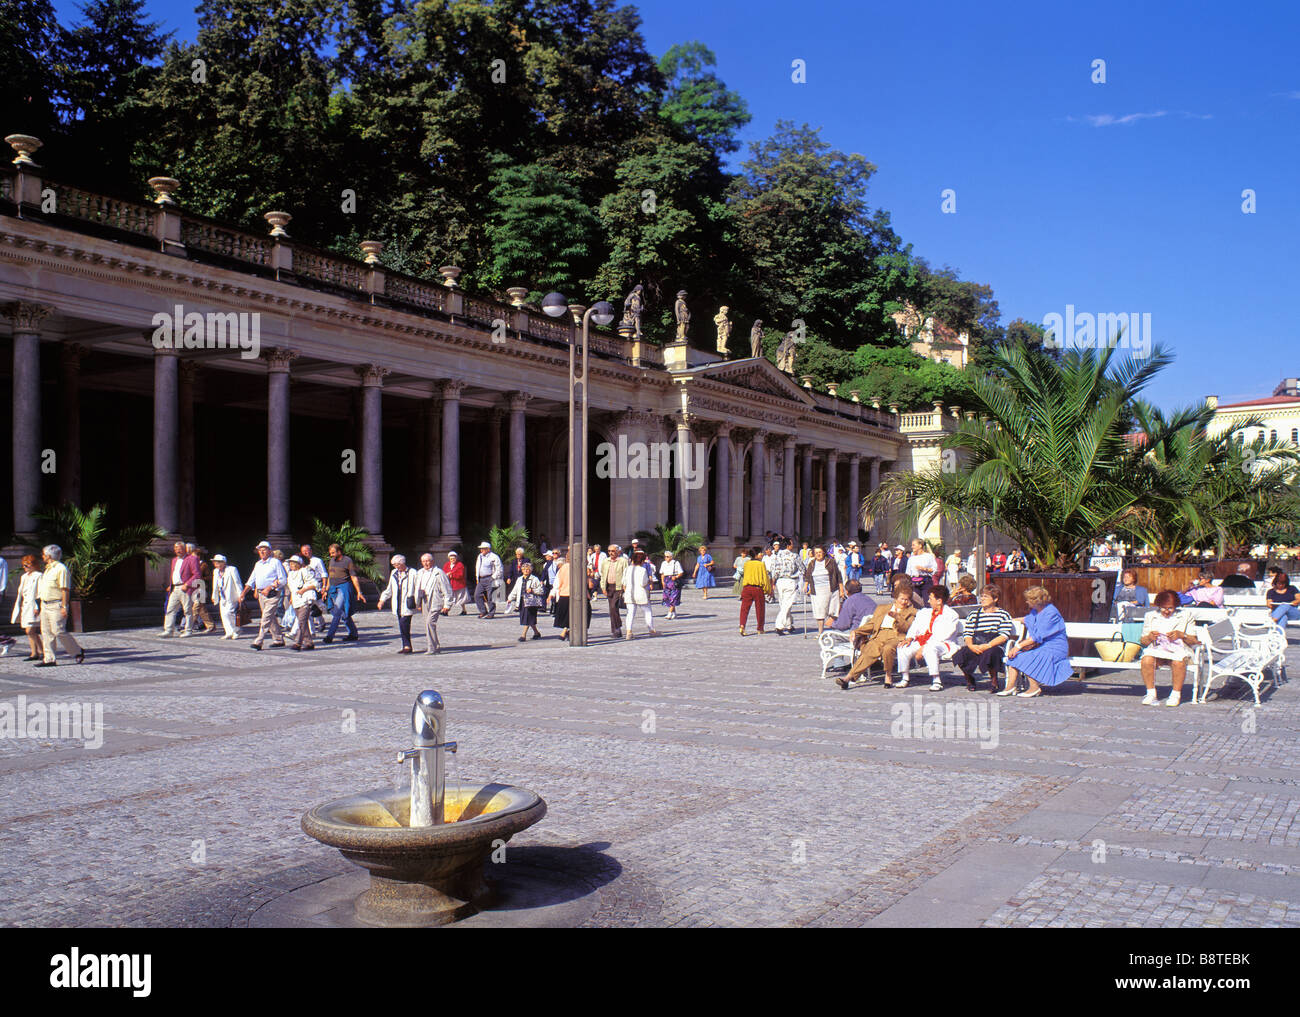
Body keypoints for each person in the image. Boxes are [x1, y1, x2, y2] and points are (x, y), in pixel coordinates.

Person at [838, 583, 917, 689]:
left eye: (907, 599)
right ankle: (848, 678)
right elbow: (872, 624)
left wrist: (898, 617)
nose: (904, 602)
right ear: (896, 598)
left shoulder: (911, 612)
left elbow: (908, 628)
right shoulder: (882, 608)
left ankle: (888, 676)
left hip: (896, 636)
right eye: (902, 599)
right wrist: (857, 631)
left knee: (887, 648)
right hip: (879, 635)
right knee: (869, 651)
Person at [1001, 586, 1072, 698]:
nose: (1026, 601)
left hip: (1055, 647)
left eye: (1028, 599)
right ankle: (1010, 687)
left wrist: (1017, 646)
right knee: (1014, 656)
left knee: (1027, 656)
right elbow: (1027, 619)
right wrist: (1011, 620)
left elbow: (1037, 636)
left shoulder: (1051, 613)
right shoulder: (1035, 611)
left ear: (1036, 601)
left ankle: (1034, 688)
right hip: (1042, 646)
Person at [951, 585, 1018, 692]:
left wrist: (988, 645)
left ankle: (994, 681)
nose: (982, 599)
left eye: (986, 597)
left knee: (991, 652)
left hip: (994, 645)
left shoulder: (1003, 614)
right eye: (981, 596)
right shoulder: (974, 614)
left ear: (995, 599)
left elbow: (1004, 636)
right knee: (961, 654)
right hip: (977, 644)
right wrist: (971, 645)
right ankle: (970, 679)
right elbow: (967, 633)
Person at [1138, 590, 1199, 706]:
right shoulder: (1150, 616)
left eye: (1170, 608)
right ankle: (1150, 693)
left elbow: (1194, 640)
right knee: (1146, 660)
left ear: (1176, 606)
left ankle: (1175, 695)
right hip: (1158, 650)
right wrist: (1150, 637)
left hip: (1180, 650)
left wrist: (1182, 635)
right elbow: (1143, 641)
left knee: (1178, 661)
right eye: (1163, 608)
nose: (1166, 611)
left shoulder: (1186, 616)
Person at [896, 585, 961, 690]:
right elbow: (915, 627)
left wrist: (923, 647)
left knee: (930, 649)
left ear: (939, 601)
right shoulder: (925, 612)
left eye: (931, 598)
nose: (928, 600)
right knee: (903, 647)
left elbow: (943, 635)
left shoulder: (951, 615)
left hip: (943, 643)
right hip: (922, 640)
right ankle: (905, 678)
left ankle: (936, 680)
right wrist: (909, 638)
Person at [36, 545, 84, 667]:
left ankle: (77, 651)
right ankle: (49, 659)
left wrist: (64, 606)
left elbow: (65, 589)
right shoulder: (47, 569)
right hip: (45, 604)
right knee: (46, 632)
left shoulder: (61, 569)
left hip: (56, 604)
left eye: (43, 554)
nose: (42, 556)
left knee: (58, 631)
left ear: (48, 556)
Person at [242, 540, 288, 650]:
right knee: (270, 617)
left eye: (264, 550)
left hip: (272, 594)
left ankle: (259, 640)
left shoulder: (275, 562)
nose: (262, 552)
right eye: (260, 550)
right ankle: (278, 639)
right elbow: (251, 580)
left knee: (266, 617)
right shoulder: (258, 564)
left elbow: (283, 579)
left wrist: (270, 587)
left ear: (269, 551)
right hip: (261, 594)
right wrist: (243, 593)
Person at [322, 542, 365, 642]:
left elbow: (353, 577)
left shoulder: (347, 561)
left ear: (339, 551)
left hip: (343, 588)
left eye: (333, 553)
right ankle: (353, 634)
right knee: (343, 613)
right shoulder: (332, 561)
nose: (331, 555)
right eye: (330, 553)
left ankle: (329, 636)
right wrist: (326, 590)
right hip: (333, 588)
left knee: (337, 611)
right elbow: (330, 576)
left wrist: (359, 592)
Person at [377, 554, 417, 653]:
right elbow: (389, 588)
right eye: (394, 565)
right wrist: (382, 600)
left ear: (403, 563)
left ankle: (407, 646)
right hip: (397, 602)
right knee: (401, 624)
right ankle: (406, 645)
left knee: (404, 623)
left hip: (408, 602)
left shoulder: (412, 573)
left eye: (397, 565)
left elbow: (418, 588)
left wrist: (419, 602)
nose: (396, 567)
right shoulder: (394, 573)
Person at [160, 540, 200, 638]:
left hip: (185, 588)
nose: (178, 551)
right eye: (176, 549)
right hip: (175, 588)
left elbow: (197, 574)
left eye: (180, 549)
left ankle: (188, 630)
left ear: (184, 549)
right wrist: (171, 584)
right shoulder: (174, 560)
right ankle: (168, 630)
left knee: (187, 610)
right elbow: (175, 574)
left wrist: (187, 584)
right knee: (170, 609)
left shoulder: (192, 559)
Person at [415, 553, 451, 654]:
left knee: (429, 623)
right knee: (428, 625)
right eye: (423, 561)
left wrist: (447, 605)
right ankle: (435, 646)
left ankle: (432, 648)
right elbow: (417, 588)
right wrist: (417, 603)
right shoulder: (420, 573)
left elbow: (447, 589)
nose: (426, 563)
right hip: (424, 600)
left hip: (436, 600)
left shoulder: (438, 573)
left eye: (427, 561)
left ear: (432, 561)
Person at [804, 545, 844, 634]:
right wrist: (806, 585)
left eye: (820, 552)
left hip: (831, 589)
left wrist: (841, 590)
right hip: (817, 591)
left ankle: (833, 627)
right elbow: (808, 575)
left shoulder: (831, 562)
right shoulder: (811, 563)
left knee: (833, 611)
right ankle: (820, 632)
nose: (818, 554)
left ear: (824, 553)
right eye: (816, 553)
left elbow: (838, 576)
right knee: (819, 612)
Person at [10, 554, 42, 661]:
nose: (25, 567)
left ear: (33, 565)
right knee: (29, 631)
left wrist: (37, 606)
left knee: (30, 630)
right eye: (24, 565)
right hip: (25, 605)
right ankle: (35, 652)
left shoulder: (38, 575)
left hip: (33, 606)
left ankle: (41, 650)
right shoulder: (23, 577)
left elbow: (40, 592)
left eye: (27, 565)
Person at [285, 556, 319, 651]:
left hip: (305, 600)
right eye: (290, 563)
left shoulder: (304, 571)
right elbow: (292, 589)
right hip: (296, 601)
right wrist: (292, 598)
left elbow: (315, 584)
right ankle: (309, 643)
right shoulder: (290, 574)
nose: (291, 565)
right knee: (302, 622)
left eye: (293, 563)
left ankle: (298, 643)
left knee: (302, 621)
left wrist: (304, 589)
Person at [507, 558, 545, 641]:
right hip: (521, 601)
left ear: (530, 570)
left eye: (528, 569)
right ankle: (536, 632)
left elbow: (541, 590)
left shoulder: (534, 579)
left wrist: (532, 590)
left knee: (527, 617)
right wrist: (510, 598)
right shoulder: (519, 579)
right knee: (528, 618)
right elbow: (515, 590)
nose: (526, 571)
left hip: (531, 602)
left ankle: (523, 635)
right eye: (524, 569)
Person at [770, 538, 803, 634]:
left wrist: (773, 582)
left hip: (780, 581)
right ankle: (779, 625)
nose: (793, 546)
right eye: (792, 544)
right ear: (788, 546)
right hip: (790, 580)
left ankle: (789, 624)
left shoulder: (776, 556)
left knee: (784, 603)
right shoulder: (794, 556)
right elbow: (802, 568)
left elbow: (774, 570)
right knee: (787, 604)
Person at [622, 550, 658, 639]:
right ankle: (651, 630)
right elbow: (643, 583)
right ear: (642, 561)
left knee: (630, 613)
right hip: (641, 594)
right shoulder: (642, 570)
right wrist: (649, 581)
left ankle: (629, 632)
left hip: (630, 593)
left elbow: (624, 583)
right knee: (647, 611)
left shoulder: (627, 569)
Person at [738, 547, 773, 636]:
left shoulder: (746, 564)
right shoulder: (761, 564)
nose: (762, 554)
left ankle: (742, 625)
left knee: (744, 609)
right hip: (757, 588)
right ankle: (760, 628)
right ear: (757, 555)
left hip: (747, 588)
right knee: (760, 609)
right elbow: (765, 578)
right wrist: (768, 590)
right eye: (761, 553)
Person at [211, 554, 243, 639]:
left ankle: (236, 630)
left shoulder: (232, 569)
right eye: (215, 562)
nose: (216, 564)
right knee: (223, 614)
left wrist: (241, 595)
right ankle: (228, 631)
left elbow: (237, 582)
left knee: (229, 613)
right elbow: (215, 584)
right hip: (222, 596)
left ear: (223, 563)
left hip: (231, 595)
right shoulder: (215, 571)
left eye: (217, 562)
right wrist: (214, 595)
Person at [602, 543, 628, 639]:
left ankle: (617, 627)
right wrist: (603, 587)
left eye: (613, 551)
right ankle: (615, 630)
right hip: (609, 587)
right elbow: (603, 574)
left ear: (618, 551)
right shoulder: (605, 561)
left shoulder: (623, 561)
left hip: (618, 587)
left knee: (613, 607)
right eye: (609, 551)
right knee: (612, 609)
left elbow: (626, 574)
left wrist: (624, 587)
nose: (611, 553)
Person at [474, 541, 503, 618]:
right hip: (481, 579)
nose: (481, 550)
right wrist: (477, 577)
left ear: (488, 549)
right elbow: (477, 567)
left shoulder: (494, 557)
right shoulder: (479, 556)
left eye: (483, 549)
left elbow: (499, 569)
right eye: (481, 549)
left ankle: (491, 613)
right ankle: (483, 611)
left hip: (490, 578)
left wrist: (493, 577)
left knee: (490, 597)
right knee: (477, 595)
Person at [659, 550, 684, 619]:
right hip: (666, 580)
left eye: (667, 557)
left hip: (674, 581)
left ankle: (669, 613)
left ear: (671, 557)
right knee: (667, 597)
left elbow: (681, 572)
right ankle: (674, 613)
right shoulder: (663, 563)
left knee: (673, 597)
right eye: (665, 556)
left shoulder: (676, 563)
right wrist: (662, 582)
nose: (666, 558)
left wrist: (676, 577)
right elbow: (662, 573)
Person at [443, 550, 468, 615]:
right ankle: (446, 611)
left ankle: (464, 610)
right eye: (451, 558)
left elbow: (461, 574)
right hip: (450, 585)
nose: (452, 560)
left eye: (454, 558)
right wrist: (447, 575)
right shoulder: (447, 565)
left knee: (461, 598)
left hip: (459, 585)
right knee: (449, 598)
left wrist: (452, 575)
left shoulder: (460, 565)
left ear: (456, 558)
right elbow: (443, 573)